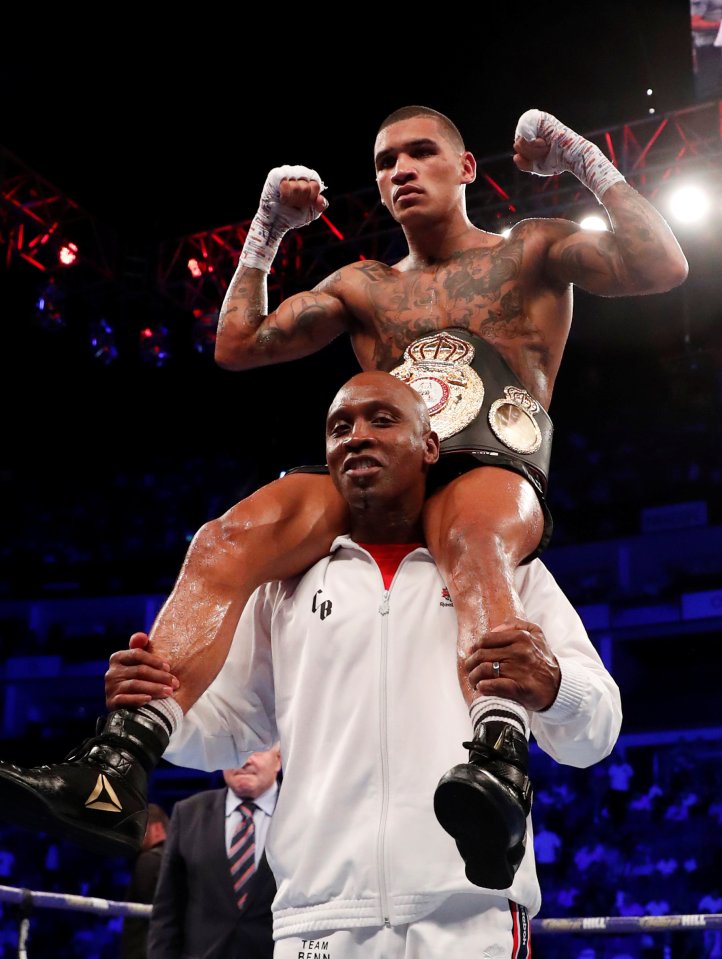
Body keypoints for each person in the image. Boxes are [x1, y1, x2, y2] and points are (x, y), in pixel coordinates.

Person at [0, 105, 682, 887]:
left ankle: (497, 760)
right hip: (380, 475)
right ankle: (118, 759)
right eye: (387, 160)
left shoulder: (530, 249)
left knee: (471, 538)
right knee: (226, 535)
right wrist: (267, 228)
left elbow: (659, 265)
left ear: (465, 169)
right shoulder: (366, 286)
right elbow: (237, 344)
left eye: (422, 153)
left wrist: (576, 156)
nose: (401, 171)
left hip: (494, 467)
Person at [104, 372, 622, 956]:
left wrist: (555, 687)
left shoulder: (508, 566)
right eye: (339, 427)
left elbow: (597, 731)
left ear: (430, 446)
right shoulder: (286, 584)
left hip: (467, 918)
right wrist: (161, 702)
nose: (356, 437)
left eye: (381, 420)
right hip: (316, 921)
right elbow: (228, 733)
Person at [147, 748, 280, 959]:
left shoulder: (301, 815)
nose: (245, 761)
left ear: (278, 760)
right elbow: (167, 910)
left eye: (257, 750)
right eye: (236, 750)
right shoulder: (188, 813)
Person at [120, 802, 168, 959]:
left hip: (144, 950)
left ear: (157, 828)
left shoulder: (150, 860)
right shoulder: (178, 858)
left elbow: (151, 911)